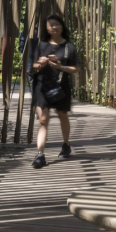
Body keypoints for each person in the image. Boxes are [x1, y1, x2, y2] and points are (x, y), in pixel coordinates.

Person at [29, 14, 78, 169]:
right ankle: (40, 154)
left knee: (62, 114)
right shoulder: (40, 45)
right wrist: (41, 64)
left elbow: (75, 68)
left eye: (57, 24)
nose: (54, 27)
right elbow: (33, 67)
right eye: (51, 25)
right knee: (43, 120)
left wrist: (60, 67)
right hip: (42, 87)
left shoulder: (69, 47)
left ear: (62, 26)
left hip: (61, 87)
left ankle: (66, 144)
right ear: (47, 28)